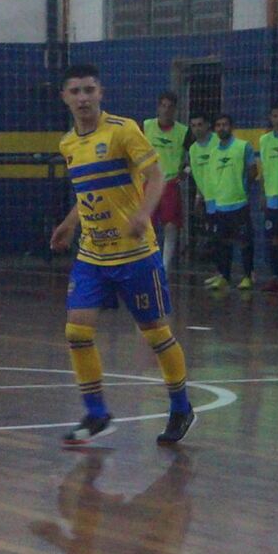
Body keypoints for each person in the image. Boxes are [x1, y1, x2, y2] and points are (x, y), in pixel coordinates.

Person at [50, 63, 195, 447]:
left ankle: (181, 406)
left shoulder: (123, 130)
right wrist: (70, 223)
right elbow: (88, 192)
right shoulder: (68, 144)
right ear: (64, 97)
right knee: (76, 331)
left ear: (101, 93)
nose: (83, 97)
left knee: (155, 334)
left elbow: (157, 176)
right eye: (75, 91)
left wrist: (143, 213)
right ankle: (97, 414)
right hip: (93, 255)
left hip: (135, 254)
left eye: (89, 90)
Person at [208, 114, 258, 290]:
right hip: (221, 205)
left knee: (245, 241)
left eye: (225, 125)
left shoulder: (243, 146)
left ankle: (247, 276)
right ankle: (224, 276)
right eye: (218, 125)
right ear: (215, 129)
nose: (222, 128)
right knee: (223, 242)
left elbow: (253, 170)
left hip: (239, 203)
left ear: (232, 126)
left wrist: (243, 187)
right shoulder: (213, 152)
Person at [143, 92, 191, 272]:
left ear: (175, 110)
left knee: (170, 226)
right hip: (148, 183)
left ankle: (165, 268)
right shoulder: (146, 126)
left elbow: (196, 153)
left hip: (170, 184)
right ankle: (148, 264)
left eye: (170, 106)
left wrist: (186, 170)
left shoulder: (183, 131)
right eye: (163, 105)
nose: (166, 109)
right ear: (158, 107)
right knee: (147, 226)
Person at [186, 112, 220, 286]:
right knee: (215, 238)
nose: (197, 129)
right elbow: (198, 176)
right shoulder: (193, 150)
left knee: (234, 237)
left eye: (200, 124)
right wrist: (199, 197)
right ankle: (220, 273)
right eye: (193, 125)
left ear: (208, 125)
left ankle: (247, 272)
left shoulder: (218, 142)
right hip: (209, 201)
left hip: (225, 198)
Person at [258, 100, 278, 293]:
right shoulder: (264, 140)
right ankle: (276, 277)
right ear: (270, 118)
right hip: (273, 197)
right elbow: (264, 169)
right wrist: (263, 193)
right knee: (275, 238)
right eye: (274, 116)